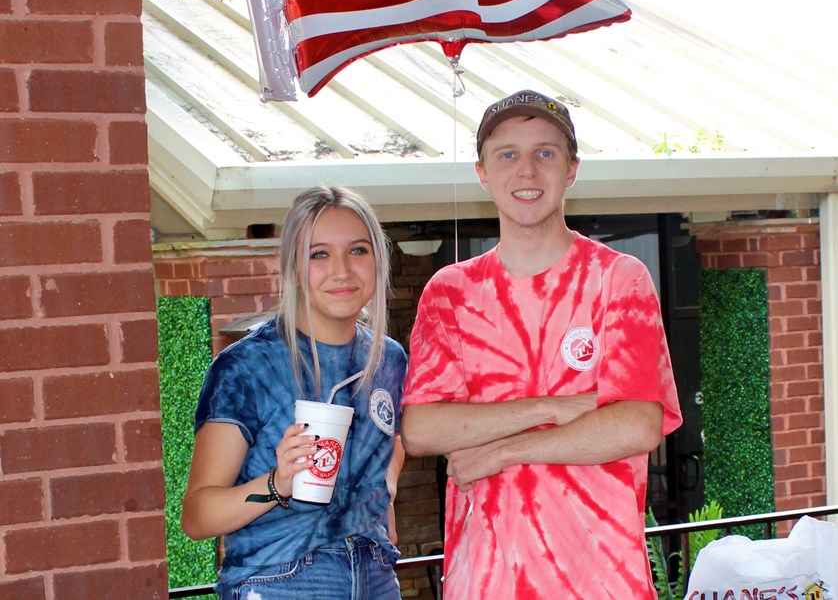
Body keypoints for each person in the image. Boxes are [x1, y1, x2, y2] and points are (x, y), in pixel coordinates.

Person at [401, 90, 683, 599]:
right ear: (482, 173)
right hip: (485, 577)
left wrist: (501, 451)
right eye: (507, 154)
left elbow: (639, 423)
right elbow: (421, 428)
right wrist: (561, 407)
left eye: (545, 153)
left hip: (603, 578)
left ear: (572, 169)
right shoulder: (449, 292)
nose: (526, 171)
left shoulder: (619, 280)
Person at [181, 185, 407, 599]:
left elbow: (390, 443)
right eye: (318, 254)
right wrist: (277, 482)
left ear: (379, 260)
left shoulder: (388, 359)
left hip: (374, 577)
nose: (341, 270)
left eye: (358, 250)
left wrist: (384, 494)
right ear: (293, 267)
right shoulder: (248, 366)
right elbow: (197, 516)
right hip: (280, 580)